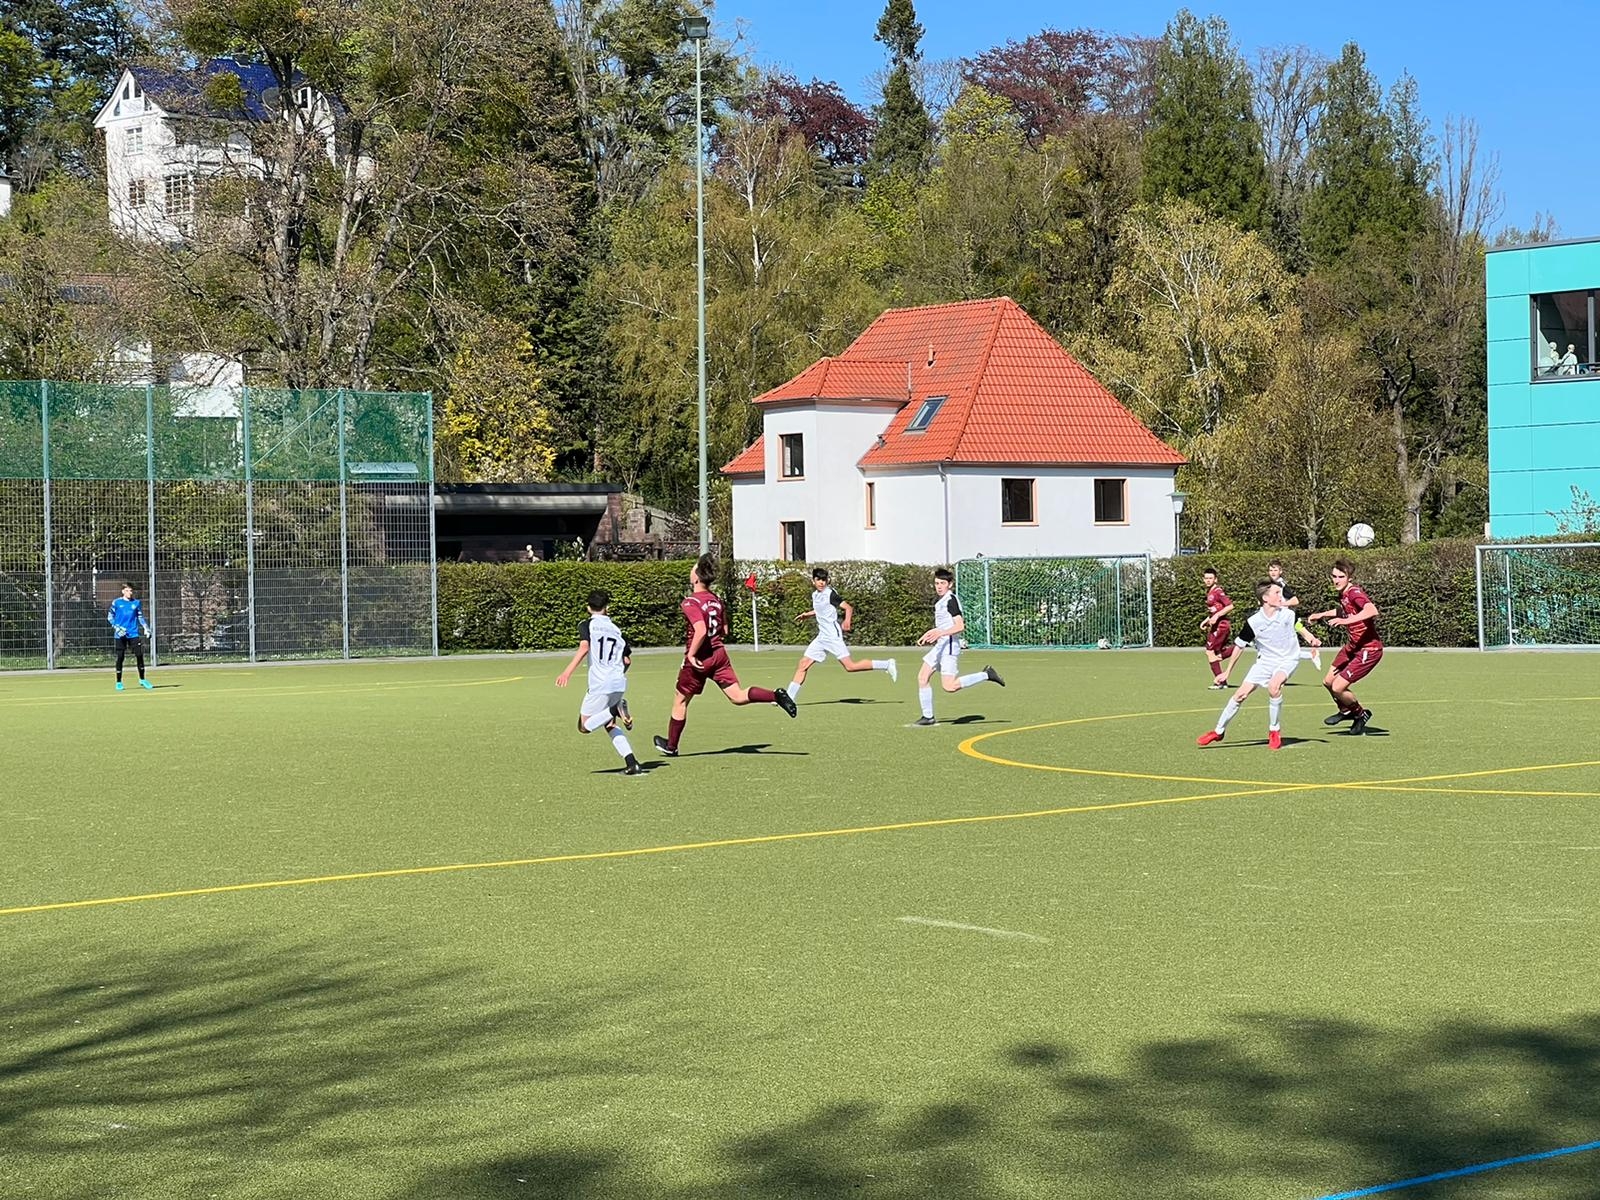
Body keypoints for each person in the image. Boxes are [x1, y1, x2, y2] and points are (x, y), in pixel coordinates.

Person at [653, 555, 797, 757]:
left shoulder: (690, 602)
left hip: (700, 658)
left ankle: (671, 746)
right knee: (737, 696)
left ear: (696, 577)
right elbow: (725, 630)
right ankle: (776, 695)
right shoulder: (717, 601)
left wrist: (692, 654)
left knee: (680, 700)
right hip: (719, 654)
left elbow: (701, 630)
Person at [1197, 580, 1321, 751]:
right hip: (1265, 662)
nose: (1281, 596)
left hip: (1288, 660)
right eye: (1277, 593)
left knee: (1274, 686)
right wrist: (1227, 672)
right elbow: (1239, 646)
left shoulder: (1287, 614)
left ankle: (1274, 731)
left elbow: (1298, 626)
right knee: (1240, 694)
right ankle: (1218, 731)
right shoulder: (1253, 622)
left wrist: (1311, 638)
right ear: (1265, 598)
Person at [556, 590, 640, 775]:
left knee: (584, 726)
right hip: (618, 683)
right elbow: (627, 661)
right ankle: (631, 762)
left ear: (588, 607)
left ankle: (614, 709)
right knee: (609, 725)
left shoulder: (587, 625)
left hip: (600, 684)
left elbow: (584, 647)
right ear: (607, 608)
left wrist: (566, 673)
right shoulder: (617, 630)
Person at [783, 567, 897, 702]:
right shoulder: (815, 595)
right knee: (803, 664)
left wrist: (847, 621)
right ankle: (788, 698)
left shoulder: (830, 594)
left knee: (850, 667)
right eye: (818, 580)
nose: (821, 583)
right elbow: (821, 609)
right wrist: (807, 614)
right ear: (813, 581)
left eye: (824, 580)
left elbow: (848, 607)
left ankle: (886, 664)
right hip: (822, 637)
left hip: (832, 636)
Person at [912, 567, 1004, 726]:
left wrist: (940, 634)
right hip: (940, 645)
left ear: (950, 584)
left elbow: (960, 626)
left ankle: (987, 675)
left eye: (942, 583)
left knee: (949, 686)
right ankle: (928, 717)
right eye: (936, 583)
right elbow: (943, 626)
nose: (939, 586)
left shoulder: (950, 600)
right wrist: (930, 633)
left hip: (948, 646)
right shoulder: (940, 601)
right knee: (922, 677)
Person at [1308, 559, 1383, 735]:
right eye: (1334, 576)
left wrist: (1344, 621)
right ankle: (1347, 710)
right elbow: (1346, 611)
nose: (1336, 580)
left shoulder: (1354, 592)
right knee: (1328, 682)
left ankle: (1360, 714)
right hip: (1353, 647)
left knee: (1338, 687)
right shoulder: (1343, 594)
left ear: (1349, 578)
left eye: (1341, 576)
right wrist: (1321, 614)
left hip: (1369, 650)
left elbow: (1372, 610)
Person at [107, 583, 153, 691]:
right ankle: (118, 682)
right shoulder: (117, 602)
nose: (130, 593)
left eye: (131, 591)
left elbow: (140, 617)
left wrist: (146, 628)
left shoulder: (136, 603)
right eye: (127, 591)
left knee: (139, 655)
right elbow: (110, 616)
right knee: (120, 657)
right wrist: (117, 628)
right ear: (123, 591)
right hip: (120, 634)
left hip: (133, 633)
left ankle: (142, 679)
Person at [1200, 568, 1239, 689]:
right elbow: (1215, 609)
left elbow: (1230, 606)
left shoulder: (1218, 591)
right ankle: (1238, 647)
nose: (1208, 580)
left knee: (1210, 652)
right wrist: (1206, 620)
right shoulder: (1210, 591)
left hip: (1221, 625)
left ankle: (1221, 682)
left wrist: (1216, 616)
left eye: (1210, 578)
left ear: (1215, 579)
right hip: (1216, 625)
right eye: (1206, 578)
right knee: (1215, 653)